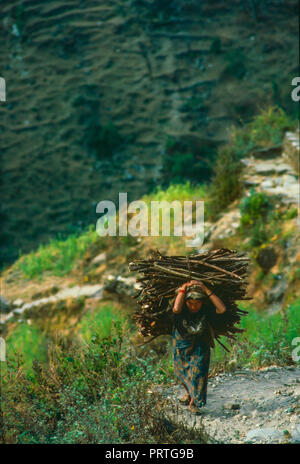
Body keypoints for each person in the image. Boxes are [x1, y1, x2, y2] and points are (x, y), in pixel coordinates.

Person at [171, 279, 226, 414]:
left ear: (202, 302)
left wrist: (206, 289)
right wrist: (183, 287)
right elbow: (176, 308)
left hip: (201, 342)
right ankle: (189, 393)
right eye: (190, 303)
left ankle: (194, 402)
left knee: (199, 371)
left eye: (197, 303)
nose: (193, 306)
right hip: (181, 343)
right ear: (186, 301)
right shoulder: (181, 308)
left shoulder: (207, 309)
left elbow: (222, 309)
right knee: (181, 371)